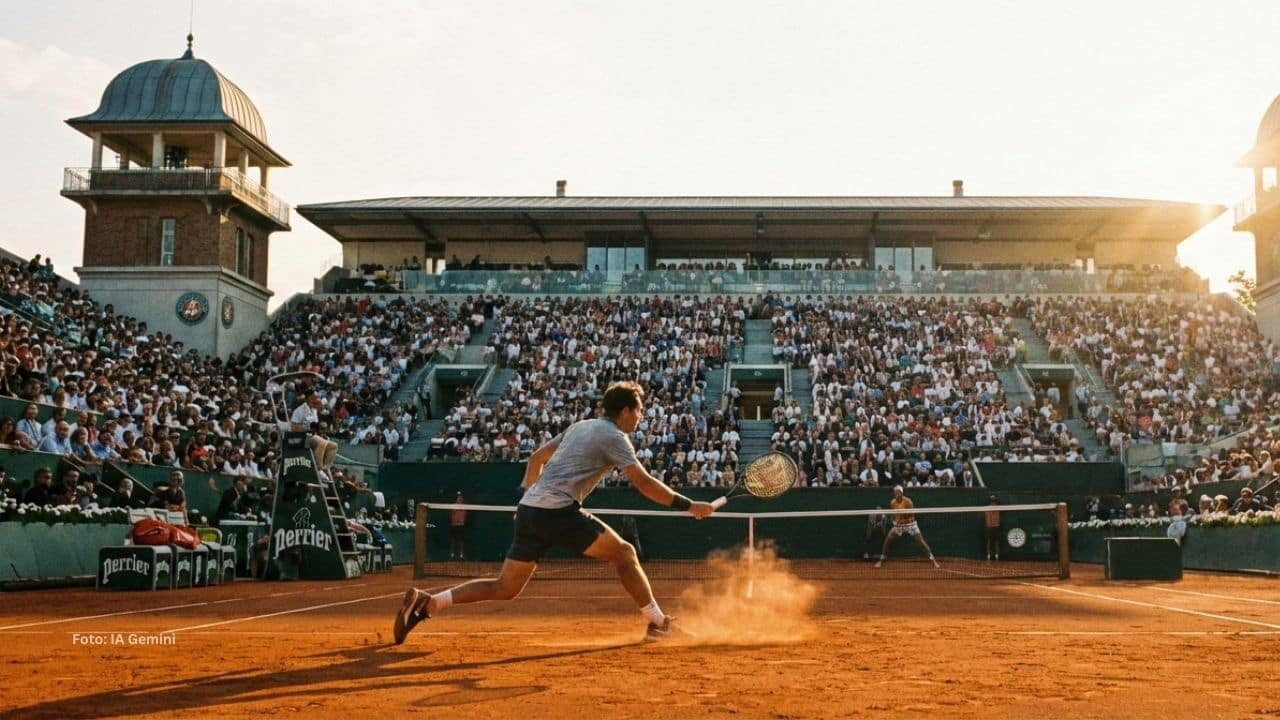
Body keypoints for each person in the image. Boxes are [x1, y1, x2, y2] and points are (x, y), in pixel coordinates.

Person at [393, 381, 716, 644]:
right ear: (627, 410)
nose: (641, 418)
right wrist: (689, 506)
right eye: (640, 411)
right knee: (625, 553)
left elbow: (536, 458)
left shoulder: (581, 426)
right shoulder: (615, 437)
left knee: (504, 587)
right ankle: (659, 624)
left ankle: (428, 602)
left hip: (531, 510)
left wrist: (526, 499)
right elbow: (643, 483)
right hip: (557, 512)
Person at [875, 485, 939, 569]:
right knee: (887, 540)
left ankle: (933, 561)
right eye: (895, 492)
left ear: (901, 493)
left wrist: (903, 517)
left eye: (898, 492)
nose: (896, 493)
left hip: (910, 525)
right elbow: (894, 515)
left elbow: (912, 516)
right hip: (899, 525)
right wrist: (895, 520)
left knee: (921, 543)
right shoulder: (892, 502)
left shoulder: (908, 502)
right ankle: (881, 561)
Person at [291, 390, 338, 479]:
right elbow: (294, 428)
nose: (317, 398)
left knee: (333, 446)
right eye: (315, 396)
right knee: (322, 443)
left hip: (312, 435)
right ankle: (317, 469)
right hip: (301, 437)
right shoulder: (299, 410)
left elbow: (315, 426)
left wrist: (318, 431)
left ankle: (324, 468)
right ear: (309, 398)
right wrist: (307, 428)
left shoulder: (314, 410)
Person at [449, 491, 467, 559]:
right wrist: (454, 521)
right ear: (456, 499)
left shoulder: (464, 507)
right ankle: (452, 554)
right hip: (454, 525)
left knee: (461, 540)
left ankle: (461, 555)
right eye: (458, 497)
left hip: (461, 525)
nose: (460, 499)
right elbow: (451, 515)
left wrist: (461, 521)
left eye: (461, 498)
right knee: (453, 540)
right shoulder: (453, 506)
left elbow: (465, 516)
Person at [984, 495, 1001, 561]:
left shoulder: (986, 508)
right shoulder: (998, 508)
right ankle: (996, 556)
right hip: (995, 526)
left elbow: (986, 516)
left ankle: (989, 556)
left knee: (989, 541)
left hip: (990, 527)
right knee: (996, 542)